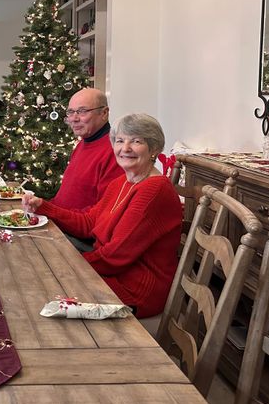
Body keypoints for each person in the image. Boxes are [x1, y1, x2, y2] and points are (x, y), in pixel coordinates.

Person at [22, 114, 182, 318]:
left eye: (136, 141)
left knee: (38, 289)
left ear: (154, 149)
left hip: (133, 289)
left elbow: (114, 257)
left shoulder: (154, 190)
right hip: (109, 273)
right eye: (119, 141)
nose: (125, 148)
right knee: (35, 277)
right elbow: (88, 223)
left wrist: (63, 265)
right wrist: (43, 206)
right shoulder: (122, 182)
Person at [52, 88, 123, 211]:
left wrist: (50, 211)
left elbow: (101, 214)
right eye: (70, 112)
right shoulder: (83, 142)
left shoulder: (115, 151)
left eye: (82, 111)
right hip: (59, 224)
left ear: (104, 113)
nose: (74, 119)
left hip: (72, 229)